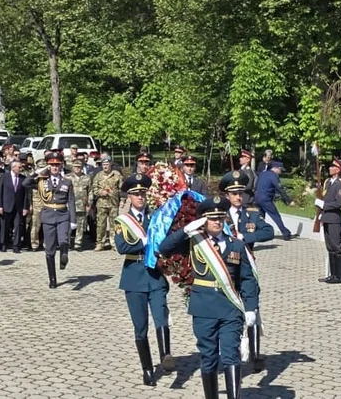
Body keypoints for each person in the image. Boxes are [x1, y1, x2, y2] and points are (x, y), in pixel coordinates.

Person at [159, 196, 258, 399]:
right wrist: (186, 230)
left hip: (230, 308)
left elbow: (247, 279)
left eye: (220, 218)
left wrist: (251, 308)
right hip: (204, 309)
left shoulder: (236, 245)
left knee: (231, 356)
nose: (217, 222)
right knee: (209, 357)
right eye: (212, 218)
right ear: (204, 220)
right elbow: (164, 248)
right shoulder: (195, 243)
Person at [114, 173, 172, 386]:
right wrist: (147, 243)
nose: (140, 197)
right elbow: (122, 247)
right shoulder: (123, 221)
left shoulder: (156, 217)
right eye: (136, 194)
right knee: (140, 327)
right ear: (129, 196)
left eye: (143, 193)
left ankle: (166, 355)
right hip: (134, 276)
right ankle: (147, 369)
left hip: (155, 275)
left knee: (161, 316)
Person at [220, 170, 273, 373]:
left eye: (240, 192)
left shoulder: (251, 214)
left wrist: (246, 238)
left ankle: (255, 354)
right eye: (234, 193)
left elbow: (267, 232)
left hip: (247, 267)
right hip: (227, 269)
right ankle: (230, 351)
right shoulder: (221, 216)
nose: (238, 197)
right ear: (227, 195)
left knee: (252, 307)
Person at [23, 152, 76, 288]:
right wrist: (38, 171)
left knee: (63, 239)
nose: (54, 167)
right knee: (50, 249)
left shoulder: (67, 181)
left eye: (57, 164)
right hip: (48, 216)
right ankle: (53, 279)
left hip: (63, 214)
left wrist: (73, 220)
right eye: (52, 165)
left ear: (61, 165)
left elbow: (71, 201)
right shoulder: (42, 181)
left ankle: (64, 254)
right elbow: (25, 183)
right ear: (48, 166)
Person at [315, 157, 341, 284]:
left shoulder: (340, 184)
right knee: (329, 247)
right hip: (327, 217)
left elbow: (338, 203)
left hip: (334, 218)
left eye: (332, 166)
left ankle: (338, 276)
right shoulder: (328, 182)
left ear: (338, 169)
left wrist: (324, 206)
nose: (330, 168)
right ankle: (332, 274)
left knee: (336, 246)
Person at [254, 161, 296, 241]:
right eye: (280, 169)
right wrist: (288, 200)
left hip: (257, 197)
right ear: (275, 168)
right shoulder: (273, 176)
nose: (281, 171)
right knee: (275, 216)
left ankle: (256, 233)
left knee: (260, 216)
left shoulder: (263, 173)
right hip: (266, 199)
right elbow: (280, 188)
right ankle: (286, 233)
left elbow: (256, 185)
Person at [0, 160, 29, 253]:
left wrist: (25, 207)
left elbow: (26, 195)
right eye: (19, 167)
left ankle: (16, 245)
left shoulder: (23, 178)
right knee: (5, 227)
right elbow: (0, 192)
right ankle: (3, 244)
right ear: (13, 167)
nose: (20, 169)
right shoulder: (4, 177)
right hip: (6, 205)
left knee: (18, 226)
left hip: (18, 207)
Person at [92, 157, 122, 251]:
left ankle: (114, 243)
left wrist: (123, 200)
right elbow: (94, 189)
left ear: (110, 165)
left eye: (107, 164)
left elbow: (122, 188)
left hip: (114, 204)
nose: (105, 166)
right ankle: (100, 243)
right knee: (101, 224)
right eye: (103, 165)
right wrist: (101, 192)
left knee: (114, 224)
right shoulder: (98, 175)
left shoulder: (116, 175)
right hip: (102, 204)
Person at [66, 160, 92, 251]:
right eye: (75, 166)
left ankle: (78, 244)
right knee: (67, 226)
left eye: (79, 167)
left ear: (81, 167)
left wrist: (89, 203)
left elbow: (90, 192)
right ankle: (67, 243)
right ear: (72, 167)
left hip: (82, 206)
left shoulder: (87, 178)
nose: (77, 168)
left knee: (80, 226)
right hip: (69, 206)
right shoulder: (67, 177)